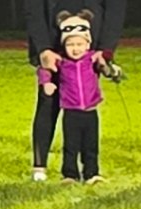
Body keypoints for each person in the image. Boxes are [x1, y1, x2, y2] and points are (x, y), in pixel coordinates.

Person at [20, 0, 126, 183]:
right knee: (48, 102)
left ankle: (90, 169)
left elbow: (115, 9)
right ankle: (40, 167)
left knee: (84, 110)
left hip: (88, 55)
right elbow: (33, 10)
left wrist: (105, 51)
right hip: (53, 53)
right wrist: (43, 49)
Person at [42, 13, 106, 182]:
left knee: (91, 146)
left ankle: (92, 173)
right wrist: (46, 83)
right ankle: (70, 174)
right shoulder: (62, 61)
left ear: (87, 44)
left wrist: (109, 68)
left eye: (79, 44)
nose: (75, 48)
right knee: (71, 146)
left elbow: (105, 65)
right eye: (70, 44)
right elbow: (43, 69)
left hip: (90, 111)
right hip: (71, 112)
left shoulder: (91, 59)